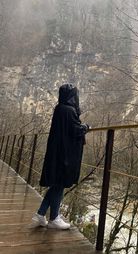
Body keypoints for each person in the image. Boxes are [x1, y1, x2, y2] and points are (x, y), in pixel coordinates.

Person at [32, 83, 89, 230]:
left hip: (57, 152)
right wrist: (86, 127)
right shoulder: (69, 110)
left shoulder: (59, 108)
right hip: (64, 154)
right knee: (59, 184)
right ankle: (54, 218)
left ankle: (41, 213)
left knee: (56, 184)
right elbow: (76, 130)